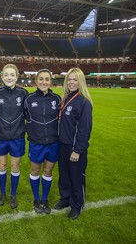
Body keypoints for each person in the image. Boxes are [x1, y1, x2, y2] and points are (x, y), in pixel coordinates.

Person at [56, 67, 93, 220]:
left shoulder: (84, 103)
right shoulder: (65, 98)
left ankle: (77, 205)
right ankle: (65, 199)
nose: (71, 82)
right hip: (62, 145)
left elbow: (84, 129)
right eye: (69, 79)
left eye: (75, 79)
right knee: (64, 176)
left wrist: (77, 150)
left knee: (76, 178)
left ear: (80, 82)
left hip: (75, 148)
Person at [24, 69, 61, 214]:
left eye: (47, 79)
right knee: (35, 170)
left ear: (51, 82)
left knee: (48, 170)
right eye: (41, 79)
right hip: (36, 143)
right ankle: (36, 198)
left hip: (53, 142)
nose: (44, 82)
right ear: (36, 81)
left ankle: (45, 199)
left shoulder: (57, 99)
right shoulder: (29, 99)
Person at [0, 64, 28, 209]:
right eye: (6, 75)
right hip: (1, 136)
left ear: (17, 77)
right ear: (1, 77)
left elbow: (27, 113)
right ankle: (2, 193)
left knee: (15, 166)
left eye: (12, 75)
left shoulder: (24, 93)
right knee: (1, 165)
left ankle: (13, 194)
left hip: (17, 137)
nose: (9, 77)